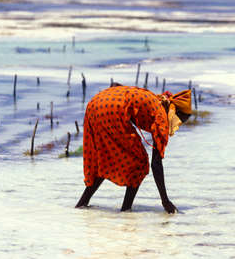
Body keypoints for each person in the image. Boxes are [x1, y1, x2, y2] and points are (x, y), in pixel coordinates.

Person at [75, 84, 192, 213]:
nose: (177, 126)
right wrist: (165, 201)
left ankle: (81, 205)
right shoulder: (161, 117)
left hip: (96, 103)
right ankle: (126, 209)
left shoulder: (155, 101)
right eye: (180, 121)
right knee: (140, 163)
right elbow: (156, 164)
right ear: (174, 112)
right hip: (113, 108)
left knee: (106, 157)